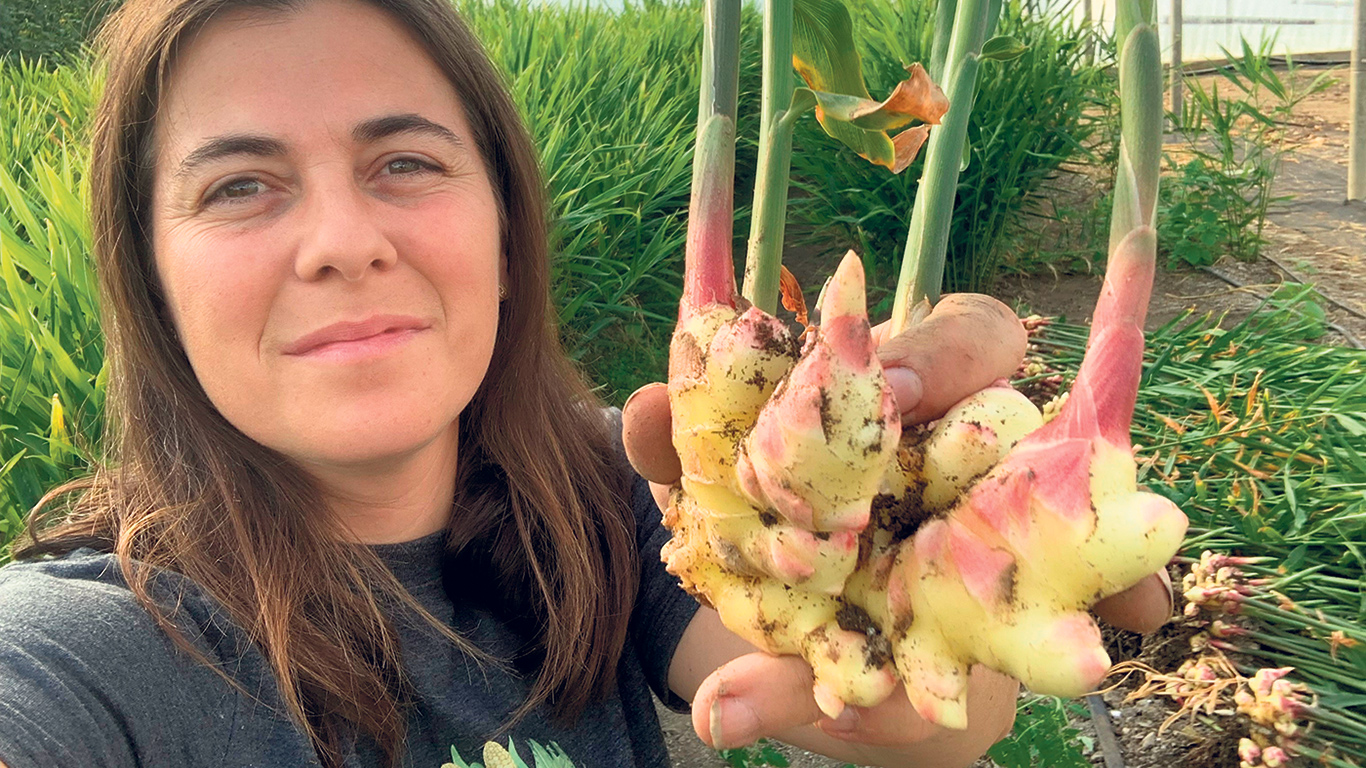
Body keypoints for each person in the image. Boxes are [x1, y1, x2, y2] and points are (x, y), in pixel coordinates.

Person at [0, 0, 1173, 766]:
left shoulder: (613, 500)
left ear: (506, 240)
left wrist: (934, 555)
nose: (341, 241)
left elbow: (922, 716)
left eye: (404, 162)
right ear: (149, 282)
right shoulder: (74, 658)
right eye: (241, 186)